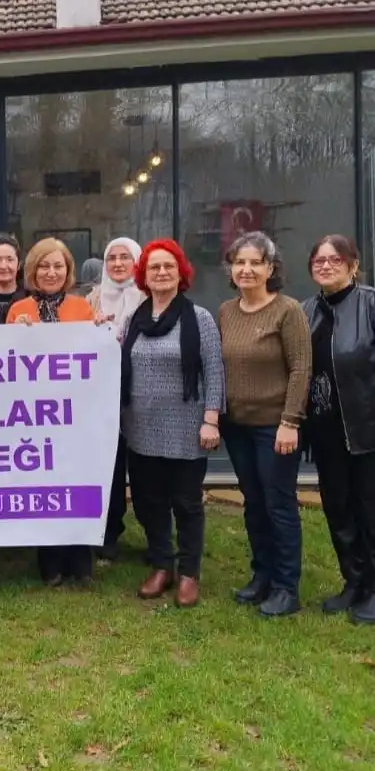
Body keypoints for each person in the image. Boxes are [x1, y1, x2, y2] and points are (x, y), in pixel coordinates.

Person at [121, 240, 224, 607]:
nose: (161, 272)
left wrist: (211, 419)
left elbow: (214, 370)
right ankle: (162, 564)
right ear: (143, 276)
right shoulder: (136, 318)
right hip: (141, 427)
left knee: (186, 503)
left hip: (186, 428)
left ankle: (189, 573)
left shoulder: (200, 319)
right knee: (150, 502)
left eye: (169, 266)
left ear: (181, 273)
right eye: (154, 268)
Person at [219, 231, 311, 618]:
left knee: (279, 505)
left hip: (275, 427)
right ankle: (263, 575)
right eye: (240, 262)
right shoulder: (226, 311)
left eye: (255, 262)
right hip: (237, 426)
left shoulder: (288, 310)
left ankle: (286, 587)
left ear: (270, 268)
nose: (247, 269)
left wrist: (290, 421)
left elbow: (301, 368)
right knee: (253, 503)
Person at [7, 238, 95, 586]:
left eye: (58, 266)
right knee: (43, 487)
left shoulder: (82, 308)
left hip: (75, 414)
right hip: (34, 414)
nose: (51, 272)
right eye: (44, 266)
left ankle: (81, 560)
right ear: (32, 271)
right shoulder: (18, 310)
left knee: (77, 482)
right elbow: (4, 363)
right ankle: (51, 562)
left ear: (68, 271)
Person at [303, 235, 375, 625]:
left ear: (352, 265)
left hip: (366, 428)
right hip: (326, 430)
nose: (326, 265)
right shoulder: (306, 311)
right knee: (339, 508)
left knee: (370, 509)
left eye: (335, 260)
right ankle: (354, 580)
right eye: (319, 260)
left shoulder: (369, 304)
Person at [87, 236, 145, 561]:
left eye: (126, 257)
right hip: (100, 398)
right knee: (107, 467)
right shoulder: (93, 299)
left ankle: (156, 535)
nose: (119, 264)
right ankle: (107, 532)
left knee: (140, 468)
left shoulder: (149, 299)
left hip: (138, 396)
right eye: (112, 258)